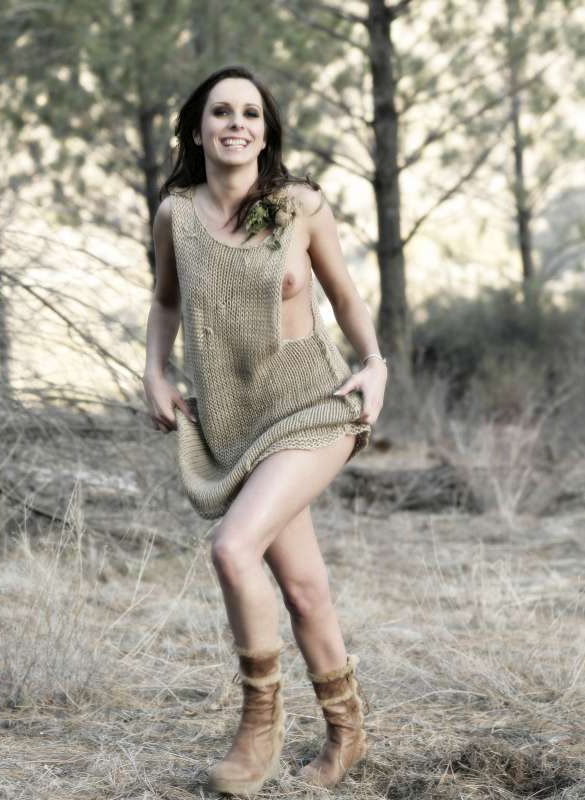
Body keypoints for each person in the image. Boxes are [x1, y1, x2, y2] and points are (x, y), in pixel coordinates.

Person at [142, 65, 387, 796]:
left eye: (251, 113)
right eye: (221, 112)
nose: (236, 124)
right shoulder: (175, 215)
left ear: (266, 131)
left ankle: (258, 726)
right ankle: (347, 732)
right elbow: (164, 302)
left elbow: (344, 296)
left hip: (314, 405)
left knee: (232, 547)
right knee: (304, 590)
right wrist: (153, 372)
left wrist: (375, 365)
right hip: (234, 421)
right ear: (197, 129)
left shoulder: (299, 206)